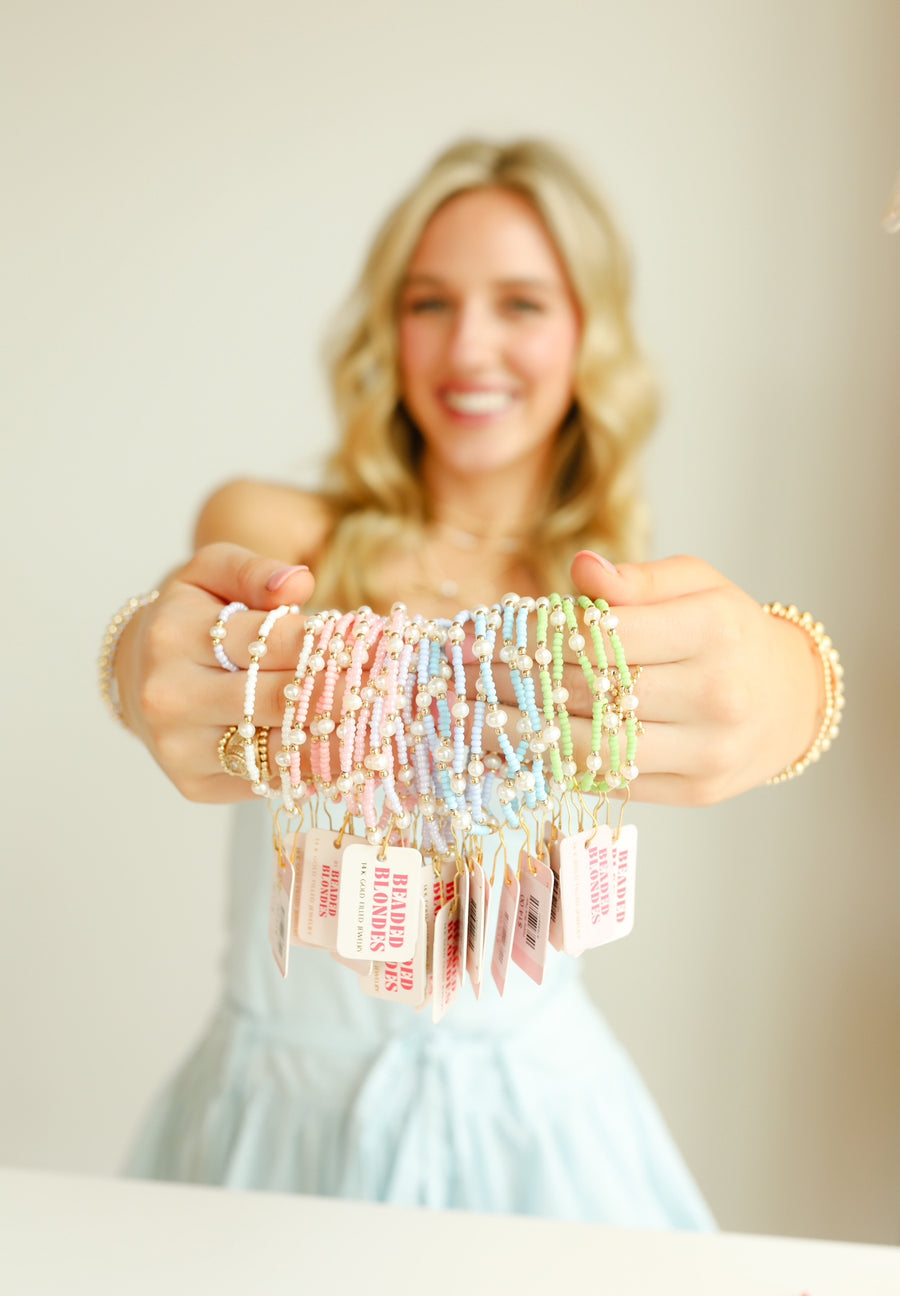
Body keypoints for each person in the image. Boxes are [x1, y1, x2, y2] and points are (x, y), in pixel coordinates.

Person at [108, 138, 834, 1226]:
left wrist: (802, 683)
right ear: (388, 330)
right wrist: (133, 660)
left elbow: (767, 684)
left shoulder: (605, 596)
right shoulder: (280, 534)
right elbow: (174, 647)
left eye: (521, 303)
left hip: (537, 1126)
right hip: (277, 1121)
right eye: (430, 303)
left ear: (588, 333)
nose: (469, 345)